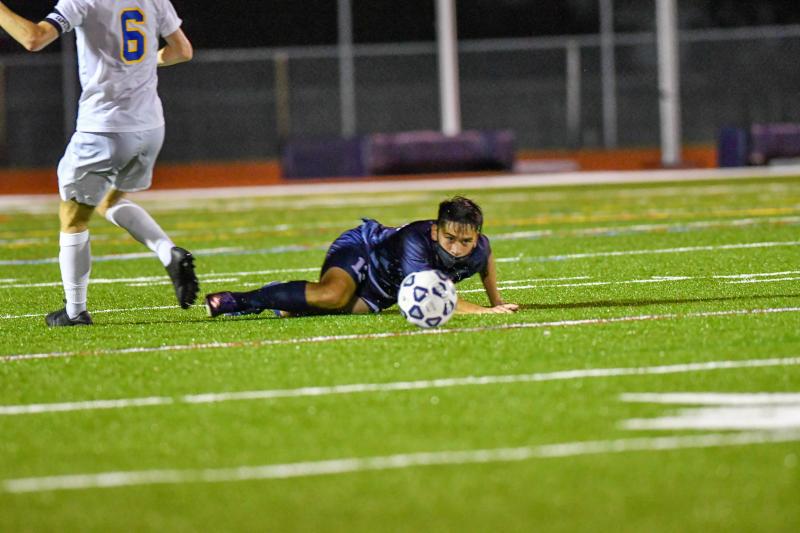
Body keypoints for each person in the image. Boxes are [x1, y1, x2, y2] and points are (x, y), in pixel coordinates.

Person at [0, 0, 199, 326]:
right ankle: (168, 251)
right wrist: (140, 66)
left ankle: (75, 311)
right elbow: (182, 51)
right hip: (150, 127)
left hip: (105, 129)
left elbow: (33, 38)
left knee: (73, 217)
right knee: (110, 201)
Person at [205, 196, 519, 318]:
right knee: (332, 294)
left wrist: (497, 300)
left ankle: (282, 297)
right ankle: (237, 300)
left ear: (476, 238)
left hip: (381, 292)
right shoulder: (415, 240)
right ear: (436, 231)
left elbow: (486, 260)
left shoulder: (479, 247)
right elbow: (431, 293)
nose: (457, 248)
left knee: (316, 309)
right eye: (450, 238)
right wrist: (486, 312)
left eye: (466, 241)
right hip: (363, 250)